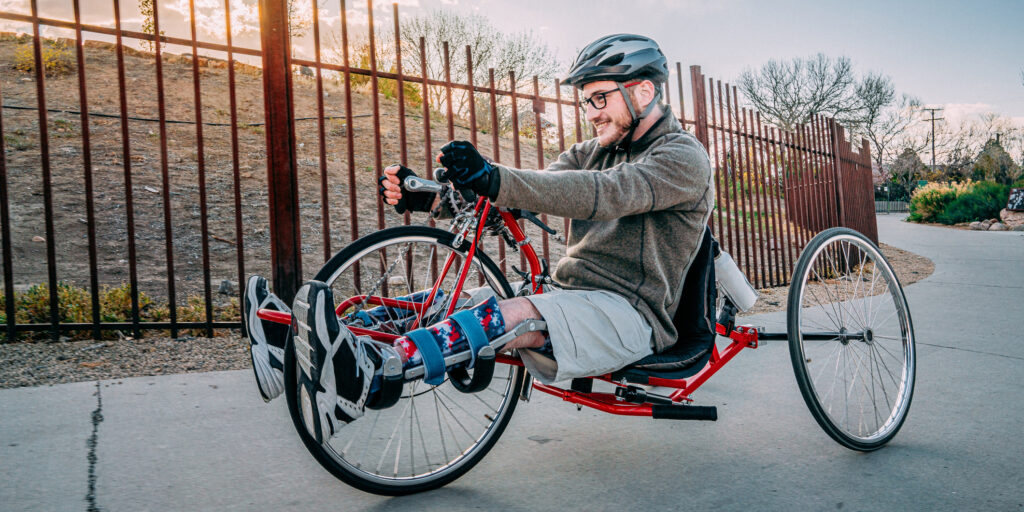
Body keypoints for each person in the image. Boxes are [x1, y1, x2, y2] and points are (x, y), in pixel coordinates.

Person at [244, 34, 714, 442]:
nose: (590, 112)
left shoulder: (683, 158)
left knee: (500, 316)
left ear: (644, 90)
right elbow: (523, 196)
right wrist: (432, 198)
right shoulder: (590, 151)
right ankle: (286, 343)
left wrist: (495, 176)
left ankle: (371, 375)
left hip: (629, 316)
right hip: (570, 297)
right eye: (586, 101)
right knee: (445, 301)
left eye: (599, 98)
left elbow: (604, 195)